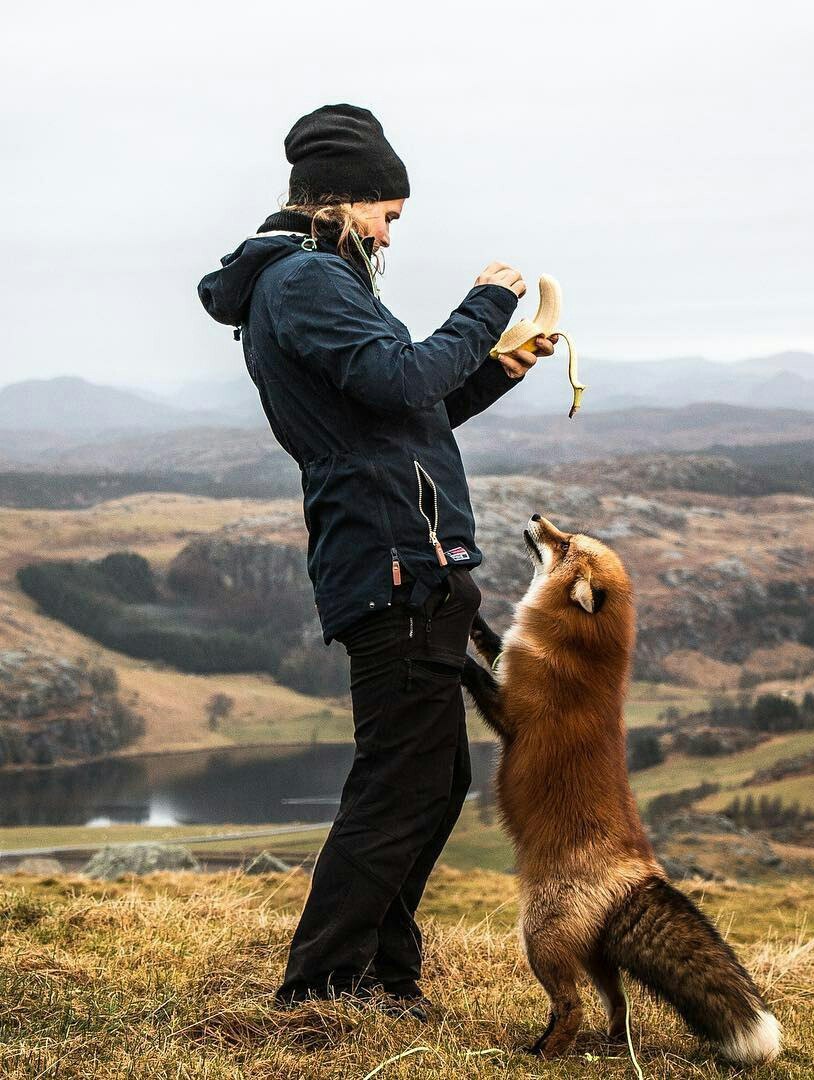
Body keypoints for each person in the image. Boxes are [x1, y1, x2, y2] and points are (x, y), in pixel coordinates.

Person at [197, 103, 556, 1016]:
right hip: (391, 561)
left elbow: (401, 412)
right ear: (344, 200)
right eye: (387, 214)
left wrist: (498, 369)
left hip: (409, 556)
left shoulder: (320, 278)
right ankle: (323, 983)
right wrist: (487, 305)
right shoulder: (308, 282)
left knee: (430, 786)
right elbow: (400, 379)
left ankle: (381, 974)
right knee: (400, 784)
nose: (392, 231)